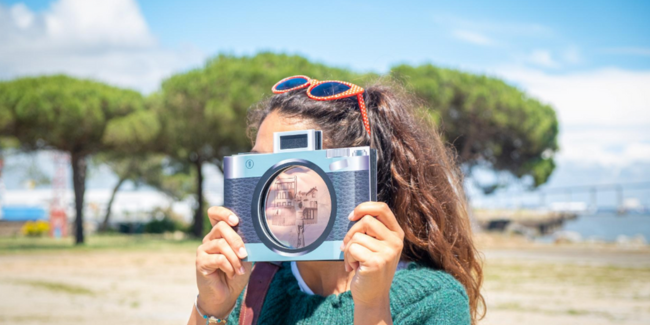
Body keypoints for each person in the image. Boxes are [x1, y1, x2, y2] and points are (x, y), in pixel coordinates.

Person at [188, 76, 484, 325]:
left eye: (290, 166)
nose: (270, 183)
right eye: (258, 165)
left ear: (351, 176)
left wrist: (371, 306)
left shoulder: (435, 301)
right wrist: (211, 308)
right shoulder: (253, 283)